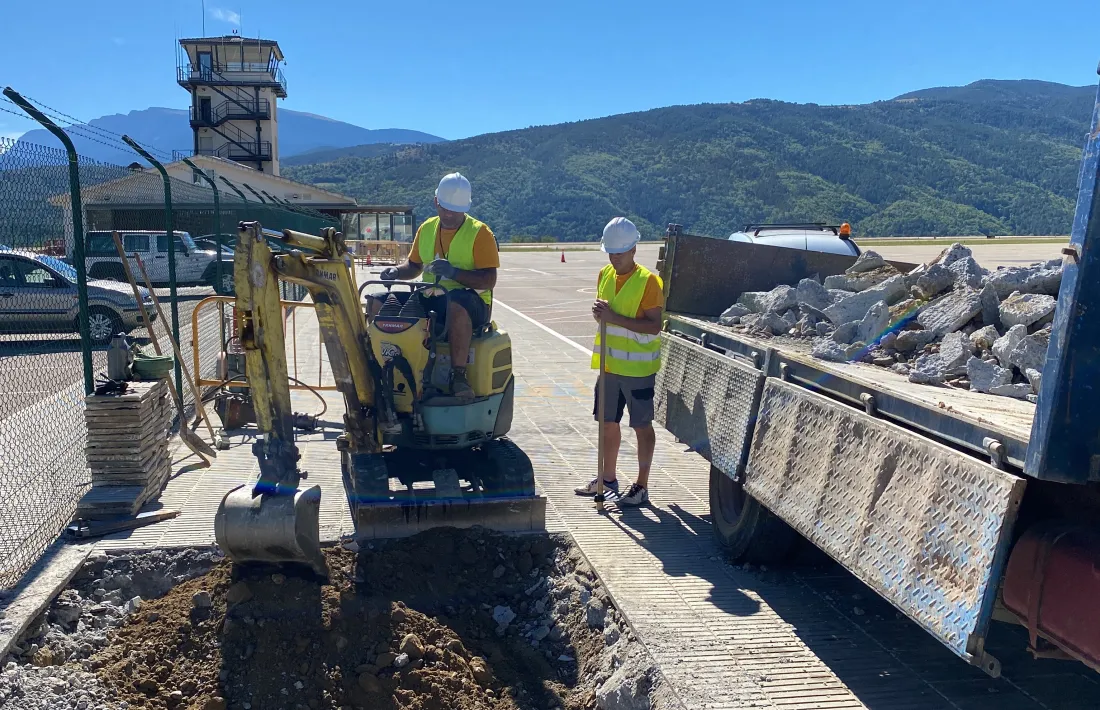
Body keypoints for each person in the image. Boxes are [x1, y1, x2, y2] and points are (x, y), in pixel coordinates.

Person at [378, 172, 499, 399]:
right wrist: (397, 271)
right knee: (380, 302)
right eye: (445, 208)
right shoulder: (426, 228)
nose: (449, 214)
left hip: (472, 303)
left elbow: (488, 280)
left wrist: (454, 273)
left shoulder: (480, 233)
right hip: (432, 297)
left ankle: (458, 376)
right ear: (436, 202)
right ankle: (382, 366)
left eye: (455, 210)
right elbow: (414, 266)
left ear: (465, 208)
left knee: (455, 305)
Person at [575, 217, 664, 507]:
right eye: (611, 252)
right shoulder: (604, 274)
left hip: (638, 371)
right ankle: (608, 479)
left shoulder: (648, 282)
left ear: (634, 250)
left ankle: (641, 486)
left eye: (620, 253)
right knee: (607, 423)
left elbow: (654, 326)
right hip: (609, 368)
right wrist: (599, 314)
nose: (614, 258)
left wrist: (613, 318)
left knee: (641, 426)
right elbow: (607, 317)